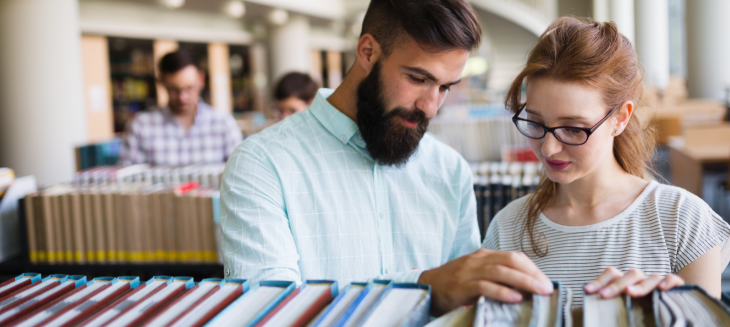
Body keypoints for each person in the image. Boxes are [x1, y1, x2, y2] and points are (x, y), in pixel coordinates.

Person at [220, 0, 554, 316]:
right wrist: (422, 289)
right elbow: (273, 312)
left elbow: (463, 309)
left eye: (445, 87)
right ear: (368, 51)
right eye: (418, 79)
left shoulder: (450, 170)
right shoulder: (262, 163)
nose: (431, 106)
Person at [482, 17, 730, 309]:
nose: (549, 148)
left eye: (573, 129)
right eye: (535, 123)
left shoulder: (681, 220)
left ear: (620, 119)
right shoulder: (508, 227)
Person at [120, 50, 242, 166]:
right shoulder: (140, 126)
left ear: (201, 80)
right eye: (174, 90)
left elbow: (240, 176)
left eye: (189, 88)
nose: (182, 97)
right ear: (161, 82)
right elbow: (128, 180)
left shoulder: (224, 124)